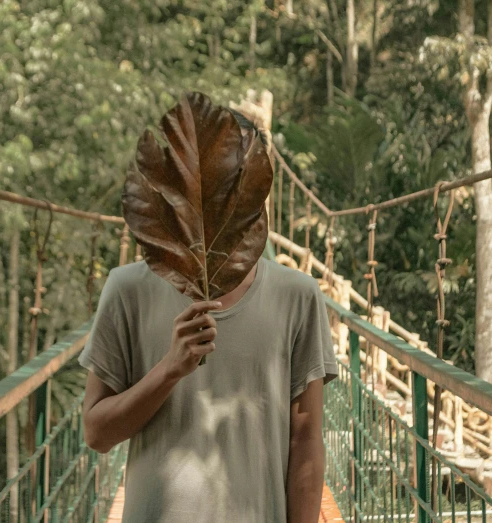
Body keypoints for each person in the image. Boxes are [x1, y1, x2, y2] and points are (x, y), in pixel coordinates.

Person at [78, 115, 338, 523]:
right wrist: (168, 370)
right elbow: (96, 434)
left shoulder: (298, 296)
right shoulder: (126, 290)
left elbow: (305, 440)